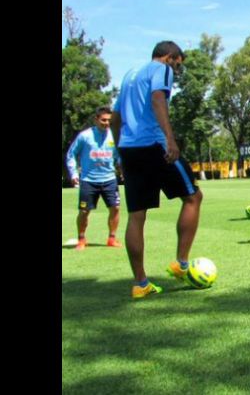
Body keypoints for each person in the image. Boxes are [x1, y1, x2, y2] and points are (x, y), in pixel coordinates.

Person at [111, 40, 204, 299]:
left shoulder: (129, 74)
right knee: (193, 197)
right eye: (178, 64)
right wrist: (170, 139)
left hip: (130, 149)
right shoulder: (161, 69)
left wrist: (120, 150)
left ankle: (140, 283)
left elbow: (116, 117)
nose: (177, 69)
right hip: (154, 144)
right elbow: (157, 99)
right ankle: (181, 263)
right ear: (169, 57)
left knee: (136, 215)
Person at [65, 106, 123, 251]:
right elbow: (71, 154)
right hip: (89, 180)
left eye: (109, 120)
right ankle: (81, 239)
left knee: (115, 208)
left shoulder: (114, 136)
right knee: (84, 211)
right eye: (103, 120)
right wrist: (73, 173)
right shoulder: (85, 136)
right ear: (96, 119)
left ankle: (111, 238)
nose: (107, 123)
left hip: (109, 179)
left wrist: (122, 168)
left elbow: (119, 155)